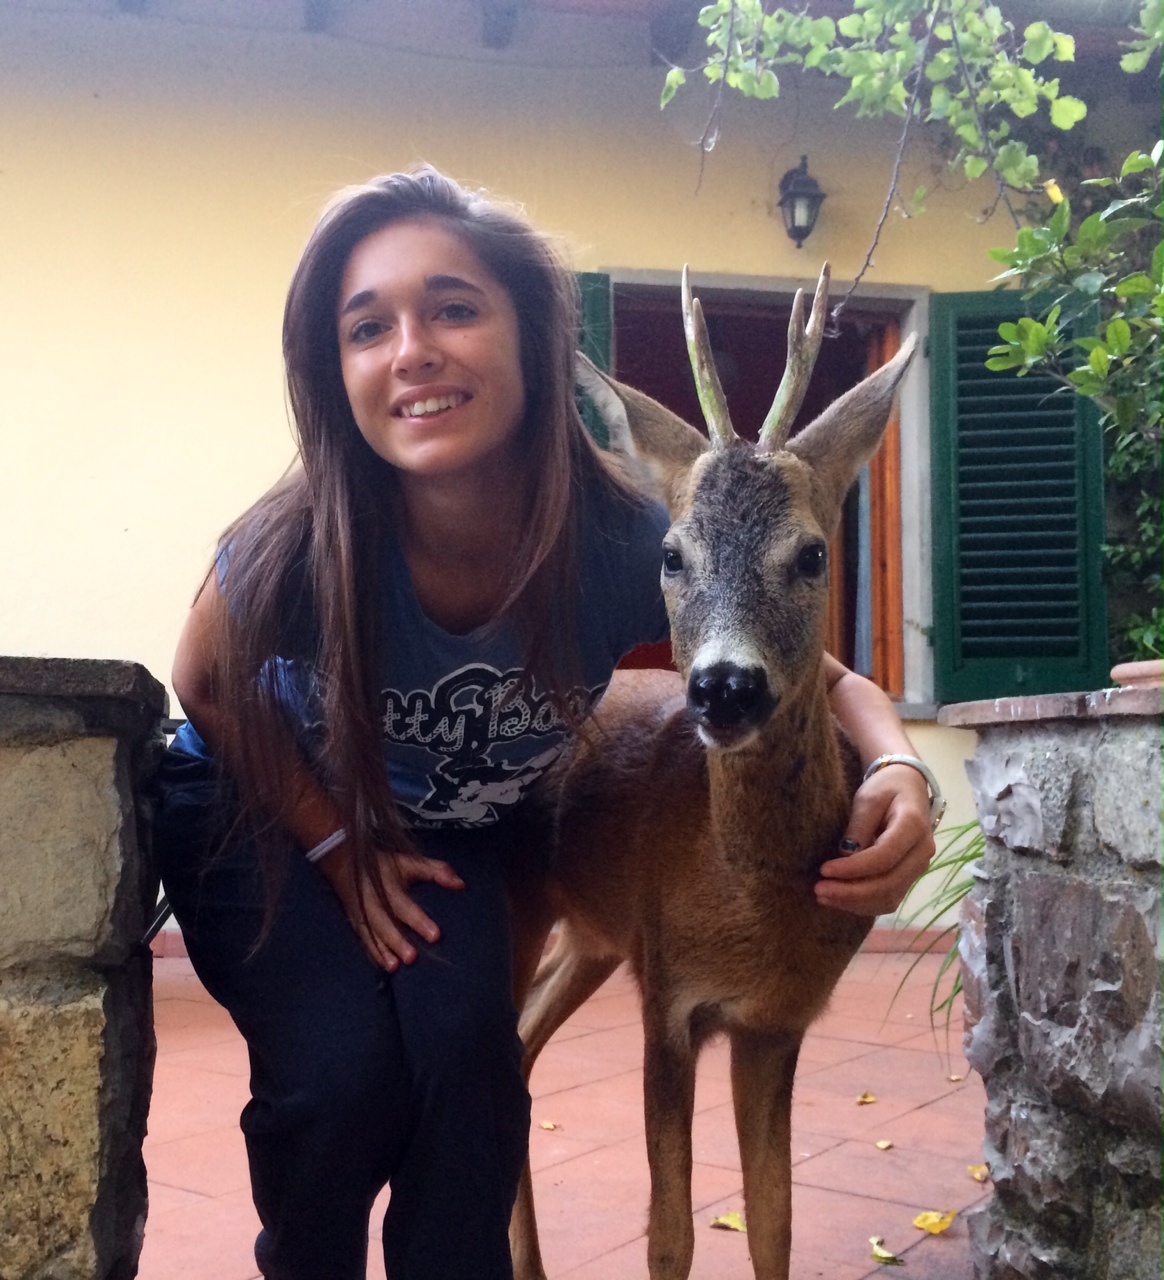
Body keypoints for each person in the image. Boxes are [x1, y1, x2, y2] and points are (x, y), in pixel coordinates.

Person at [154, 166, 937, 1280]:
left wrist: (900, 766)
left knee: (471, 1070)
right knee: (340, 1078)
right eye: (367, 326)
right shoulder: (306, 534)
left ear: (537, 342)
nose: (413, 349)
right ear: (335, 372)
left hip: (442, 827)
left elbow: (821, 669)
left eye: (453, 308)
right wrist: (336, 842)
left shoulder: (625, 542)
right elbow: (206, 680)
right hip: (266, 801)